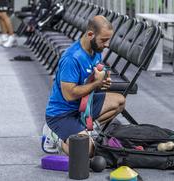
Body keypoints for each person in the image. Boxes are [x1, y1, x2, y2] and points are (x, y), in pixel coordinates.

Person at [43, 15, 126, 156]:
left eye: (108, 40)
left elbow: (91, 78)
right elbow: (69, 95)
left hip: (82, 107)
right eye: (104, 40)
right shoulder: (72, 58)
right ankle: (55, 136)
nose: (107, 45)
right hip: (62, 114)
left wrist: (102, 81)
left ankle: (83, 130)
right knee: (87, 151)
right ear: (90, 35)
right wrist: (97, 83)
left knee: (119, 101)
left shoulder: (95, 51)